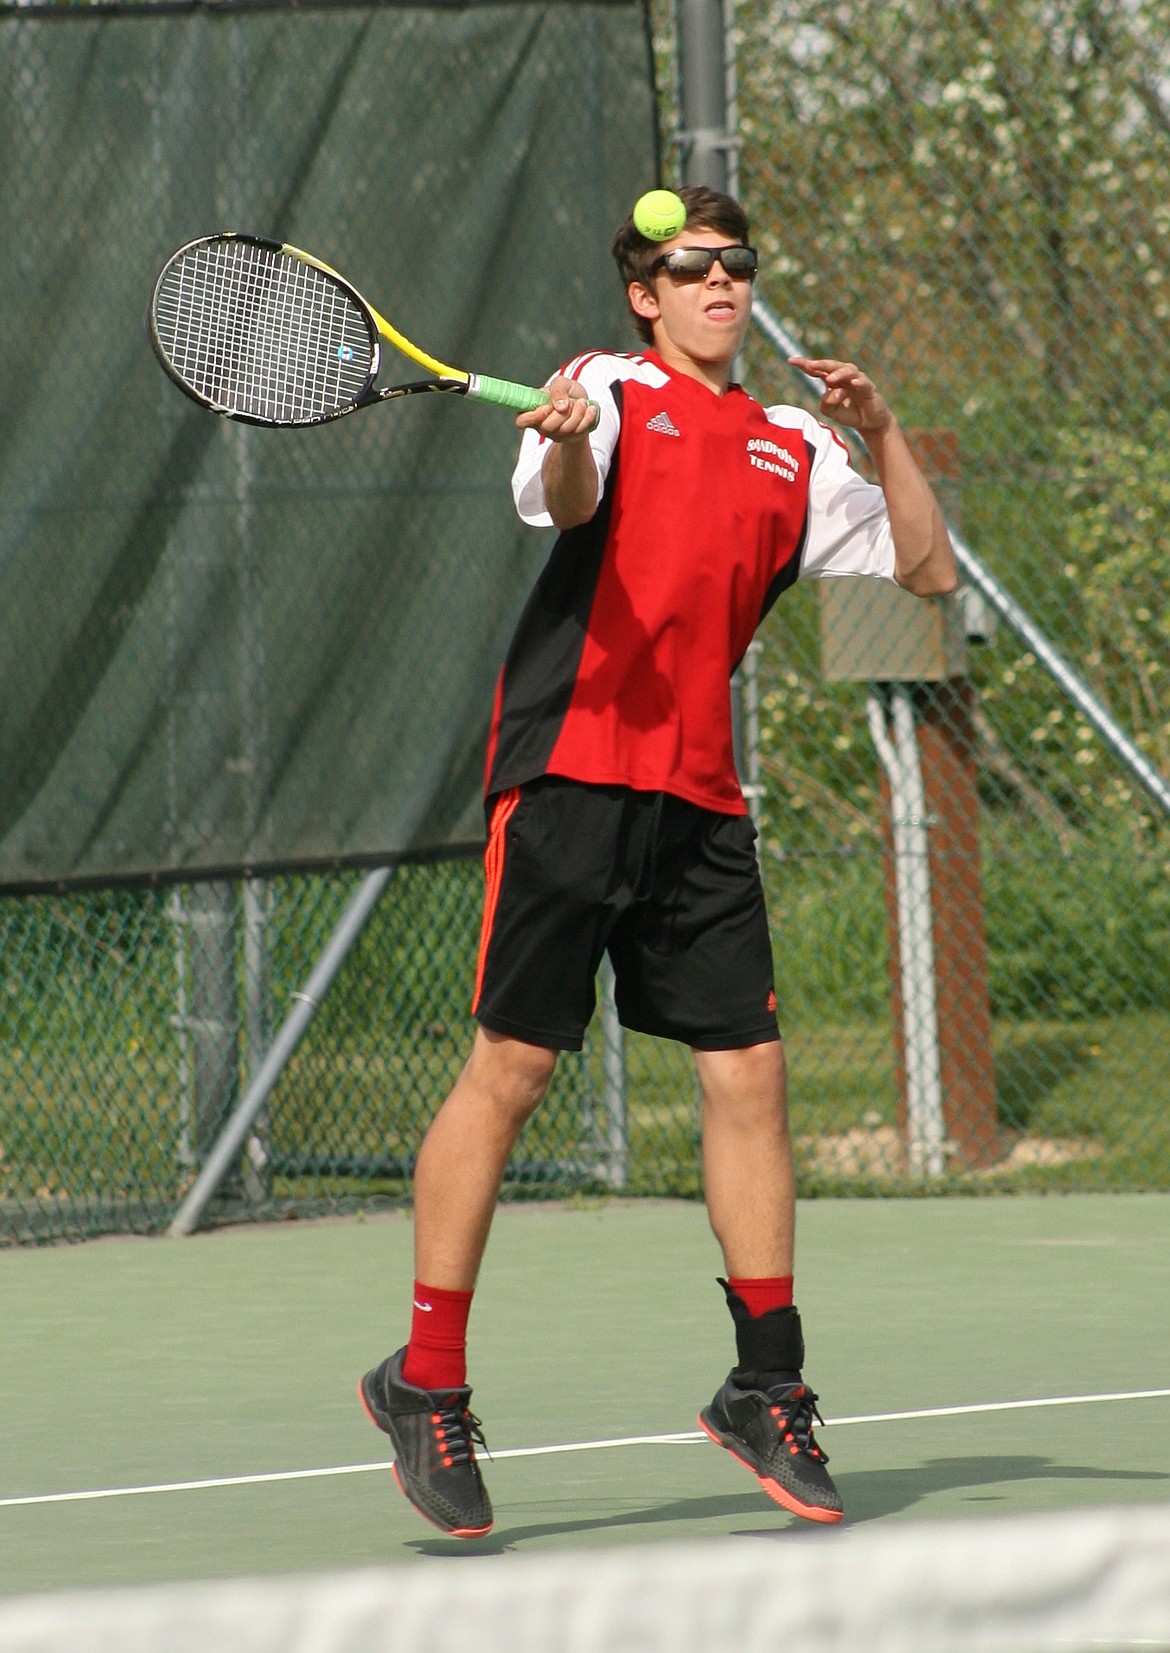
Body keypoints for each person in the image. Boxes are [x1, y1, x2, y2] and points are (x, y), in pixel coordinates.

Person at [358, 184, 957, 1538]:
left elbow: (922, 569)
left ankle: (766, 1382)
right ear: (644, 289)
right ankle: (426, 1381)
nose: (721, 284)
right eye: (692, 268)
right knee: (508, 1071)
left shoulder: (792, 444)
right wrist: (568, 442)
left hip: (698, 802)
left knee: (749, 1077)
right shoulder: (602, 389)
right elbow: (568, 504)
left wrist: (880, 431)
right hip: (569, 775)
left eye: (736, 265)